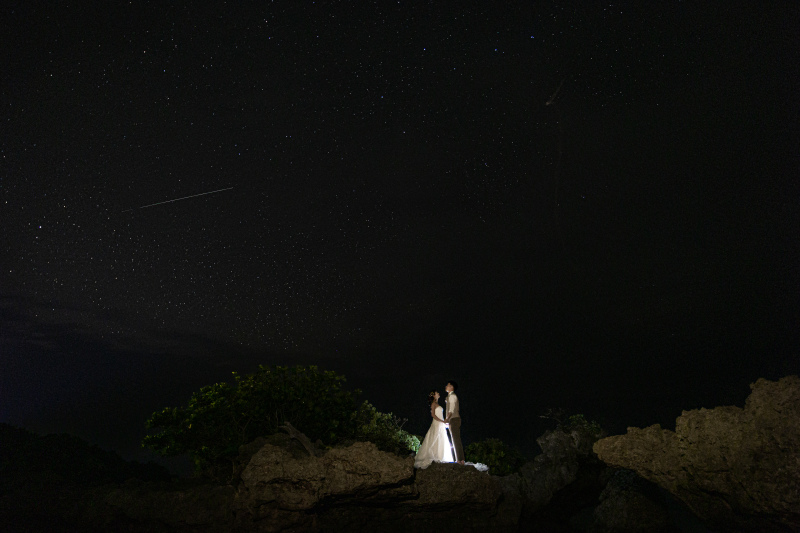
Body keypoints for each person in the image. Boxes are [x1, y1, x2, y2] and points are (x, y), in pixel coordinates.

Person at [414, 390, 455, 469]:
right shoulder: (433, 404)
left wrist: (444, 422)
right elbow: (433, 415)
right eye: (437, 393)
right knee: (435, 438)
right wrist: (442, 421)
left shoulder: (437, 404)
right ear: (434, 395)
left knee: (441, 439)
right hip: (436, 423)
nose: (438, 394)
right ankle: (433, 456)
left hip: (441, 423)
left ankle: (440, 456)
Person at [445, 381, 464, 464]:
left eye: (448, 385)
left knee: (456, 439)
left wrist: (447, 419)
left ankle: (460, 460)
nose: (446, 386)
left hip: (454, 419)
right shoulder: (449, 396)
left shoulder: (452, 396)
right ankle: (459, 459)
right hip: (453, 420)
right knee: (454, 439)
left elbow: (451, 410)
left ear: (451, 387)